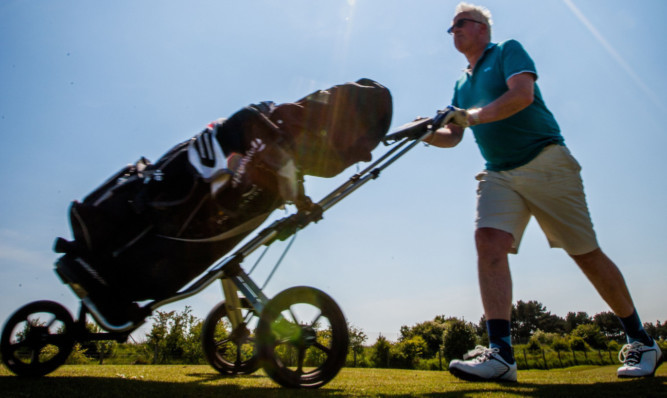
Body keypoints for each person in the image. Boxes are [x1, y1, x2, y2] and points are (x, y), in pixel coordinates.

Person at [425, 2, 663, 382]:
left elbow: (521, 96)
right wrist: (425, 133)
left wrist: (469, 116)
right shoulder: (460, 83)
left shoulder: (507, 51)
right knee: (488, 242)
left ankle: (642, 341)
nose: (453, 30)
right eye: (451, 27)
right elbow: (453, 136)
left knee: (585, 253)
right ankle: (501, 355)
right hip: (499, 172)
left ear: (482, 28)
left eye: (460, 24)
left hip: (545, 160)